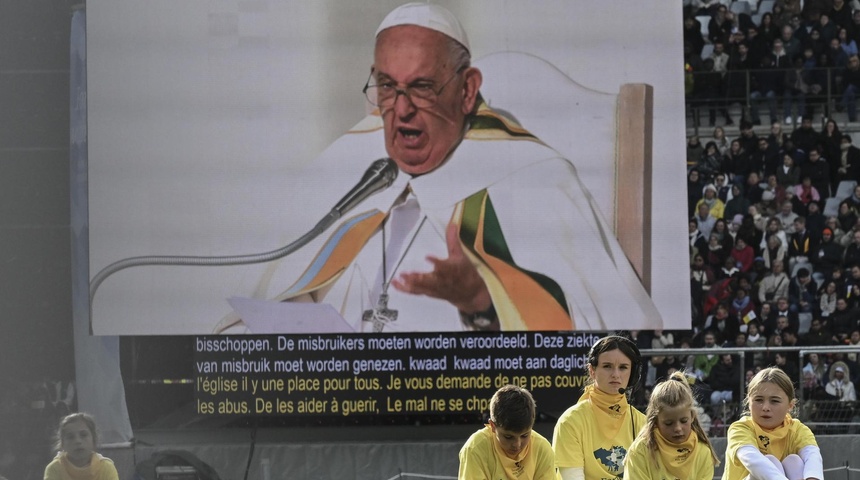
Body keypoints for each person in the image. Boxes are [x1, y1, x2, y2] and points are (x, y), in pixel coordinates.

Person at [215, 3, 663, 333]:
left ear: (467, 91)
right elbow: (273, 294)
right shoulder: (351, 164)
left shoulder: (535, 177)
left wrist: (483, 300)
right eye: (387, 87)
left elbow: (611, 332)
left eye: (423, 87)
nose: (401, 110)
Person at [552, 335, 646, 480]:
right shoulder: (570, 422)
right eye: (607, 366)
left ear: (633, 374)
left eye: (623, 368)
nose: (616, 375)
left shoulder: (643, 424)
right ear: (592, 370)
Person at [722, 367, 824, 480]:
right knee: (770, 461)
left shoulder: (798, 429)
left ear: (790, 405)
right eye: (759, 400)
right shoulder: (740, 428)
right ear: (748, 402)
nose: (765, 407)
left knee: (793, 461)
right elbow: (752, 460)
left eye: (774, 401)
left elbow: (812, 456)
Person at [622, 372, 719, 480]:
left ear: (692, 416)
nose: (678, 428)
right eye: (669, 423)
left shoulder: (703, 452)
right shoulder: (640, 451)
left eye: (683, 421)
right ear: (655, 421)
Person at [458, 385, 554, 480]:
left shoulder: (542, 449)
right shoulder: (474, 449)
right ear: (492, 426)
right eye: (508, 437)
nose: (517, 445)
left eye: (524, 435)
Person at [43, 413, 119, 480]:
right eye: (70, 437)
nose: (77, 441)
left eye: (83, 435)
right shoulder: (55, 469)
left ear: (94, 439)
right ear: (62, 444)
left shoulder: (106, 467)